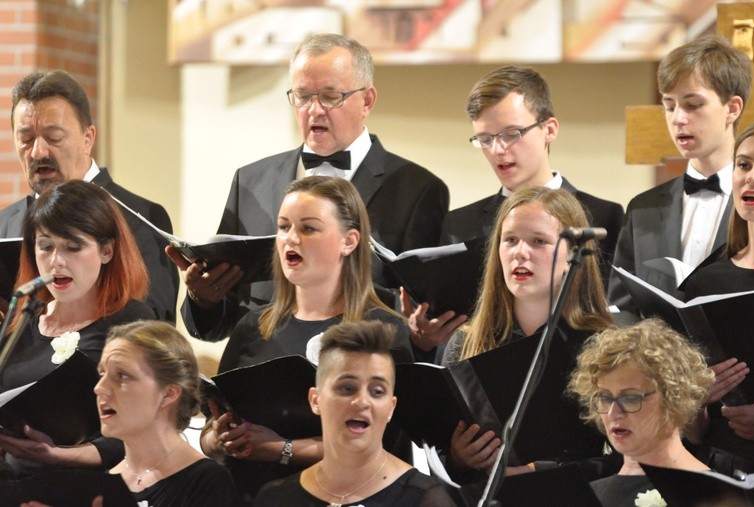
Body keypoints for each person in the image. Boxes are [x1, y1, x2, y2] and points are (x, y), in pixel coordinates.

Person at [171, 32, 449, 342]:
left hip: (362, 359)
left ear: (367, 100)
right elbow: (222, 322)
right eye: (302, 96)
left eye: (330, 96)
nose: (314, 110)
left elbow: (422, 316)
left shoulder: (418, 190)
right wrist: (204, 300)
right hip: (263, 362)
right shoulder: (250, 181)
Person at [197, 176, 414, 504]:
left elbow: (385, 443)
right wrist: (219, 439)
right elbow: (210, 428)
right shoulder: (254, 325)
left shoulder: (382, 331)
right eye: (284, 227)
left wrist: (282, 450)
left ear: (349, 241)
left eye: (309, 228)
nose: (291, 238)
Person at [408, 64, 623, 352]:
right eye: (485, 139)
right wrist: (424, 336)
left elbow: (609, 314)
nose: (498, 150)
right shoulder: (460, 223)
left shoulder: (603, 217)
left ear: (549, 129)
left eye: (511, 133)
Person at [441, 186, 614, 482]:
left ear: (572, 255)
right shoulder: (467, 341)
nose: (520, 252)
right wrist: (459, 459)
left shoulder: (602, 344)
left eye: (539, 241)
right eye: (510, 240)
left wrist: (543, 471)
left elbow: (626, 460)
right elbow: (443, 455)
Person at [0, 180, 155, 475]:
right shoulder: (23, 321)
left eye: (73, 247)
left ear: (106, 250)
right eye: (45, 247)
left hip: (90, 485)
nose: (57, 262)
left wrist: (58, 456)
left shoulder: (132, 323)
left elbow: (146, 430)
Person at [0, 69, 179, 323]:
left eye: (53, 137)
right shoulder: (4, 224)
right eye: (26, 139)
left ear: (88, 139)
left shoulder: (141, 218)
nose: (38, 152)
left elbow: (155, 324)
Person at [608, 35, 752, 315]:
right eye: (670, 106)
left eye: (693, 104)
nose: (678, 119)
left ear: (732, 108)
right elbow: (621, 309)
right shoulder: (642, 209)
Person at [253, 320, 457, 506]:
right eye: (347, 388)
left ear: (391, 408)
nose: (362, 401)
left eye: (377, 391)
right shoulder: (276, 497)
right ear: (316, 400)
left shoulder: (424, 498)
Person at [681, 118, 754, 474]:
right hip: (721, 470)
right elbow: (692, 431)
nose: (752, 177)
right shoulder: (705, 284)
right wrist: (697, 398)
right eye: (744, 165)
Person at [568, 319, 715, 507]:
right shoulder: (585, 496)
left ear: (674, 398)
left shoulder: (712, 495)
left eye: (630, 398)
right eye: (605, 398)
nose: (613, 413)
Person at [94, 320, 234, 506]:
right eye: (102, 374)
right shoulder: (102, 486)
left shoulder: (206, 481)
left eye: (122, 375)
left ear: (169, 393)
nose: (99, 388)